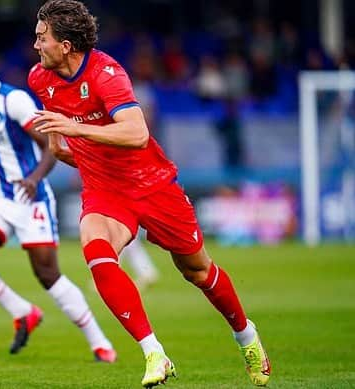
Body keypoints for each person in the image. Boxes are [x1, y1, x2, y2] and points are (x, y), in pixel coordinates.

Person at [28, 1, 271, 387]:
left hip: (153, 185)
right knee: (96, 249)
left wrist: (76, 131)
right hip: (105, 190)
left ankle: (247, 337)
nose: (36, 44)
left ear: (67, 45)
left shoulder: (107, 74)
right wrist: (63, 148)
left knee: (197, 271)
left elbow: (136, 133)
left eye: (42, 38)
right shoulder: (40, 78)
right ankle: (153, 352)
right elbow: (61, 143)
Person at [0, 39, 116, 362]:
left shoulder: (14, 101)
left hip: (31, 200)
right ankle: (23, 311)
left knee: (48, 275)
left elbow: (51, 147)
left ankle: (99, 341)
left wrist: (34, 179)